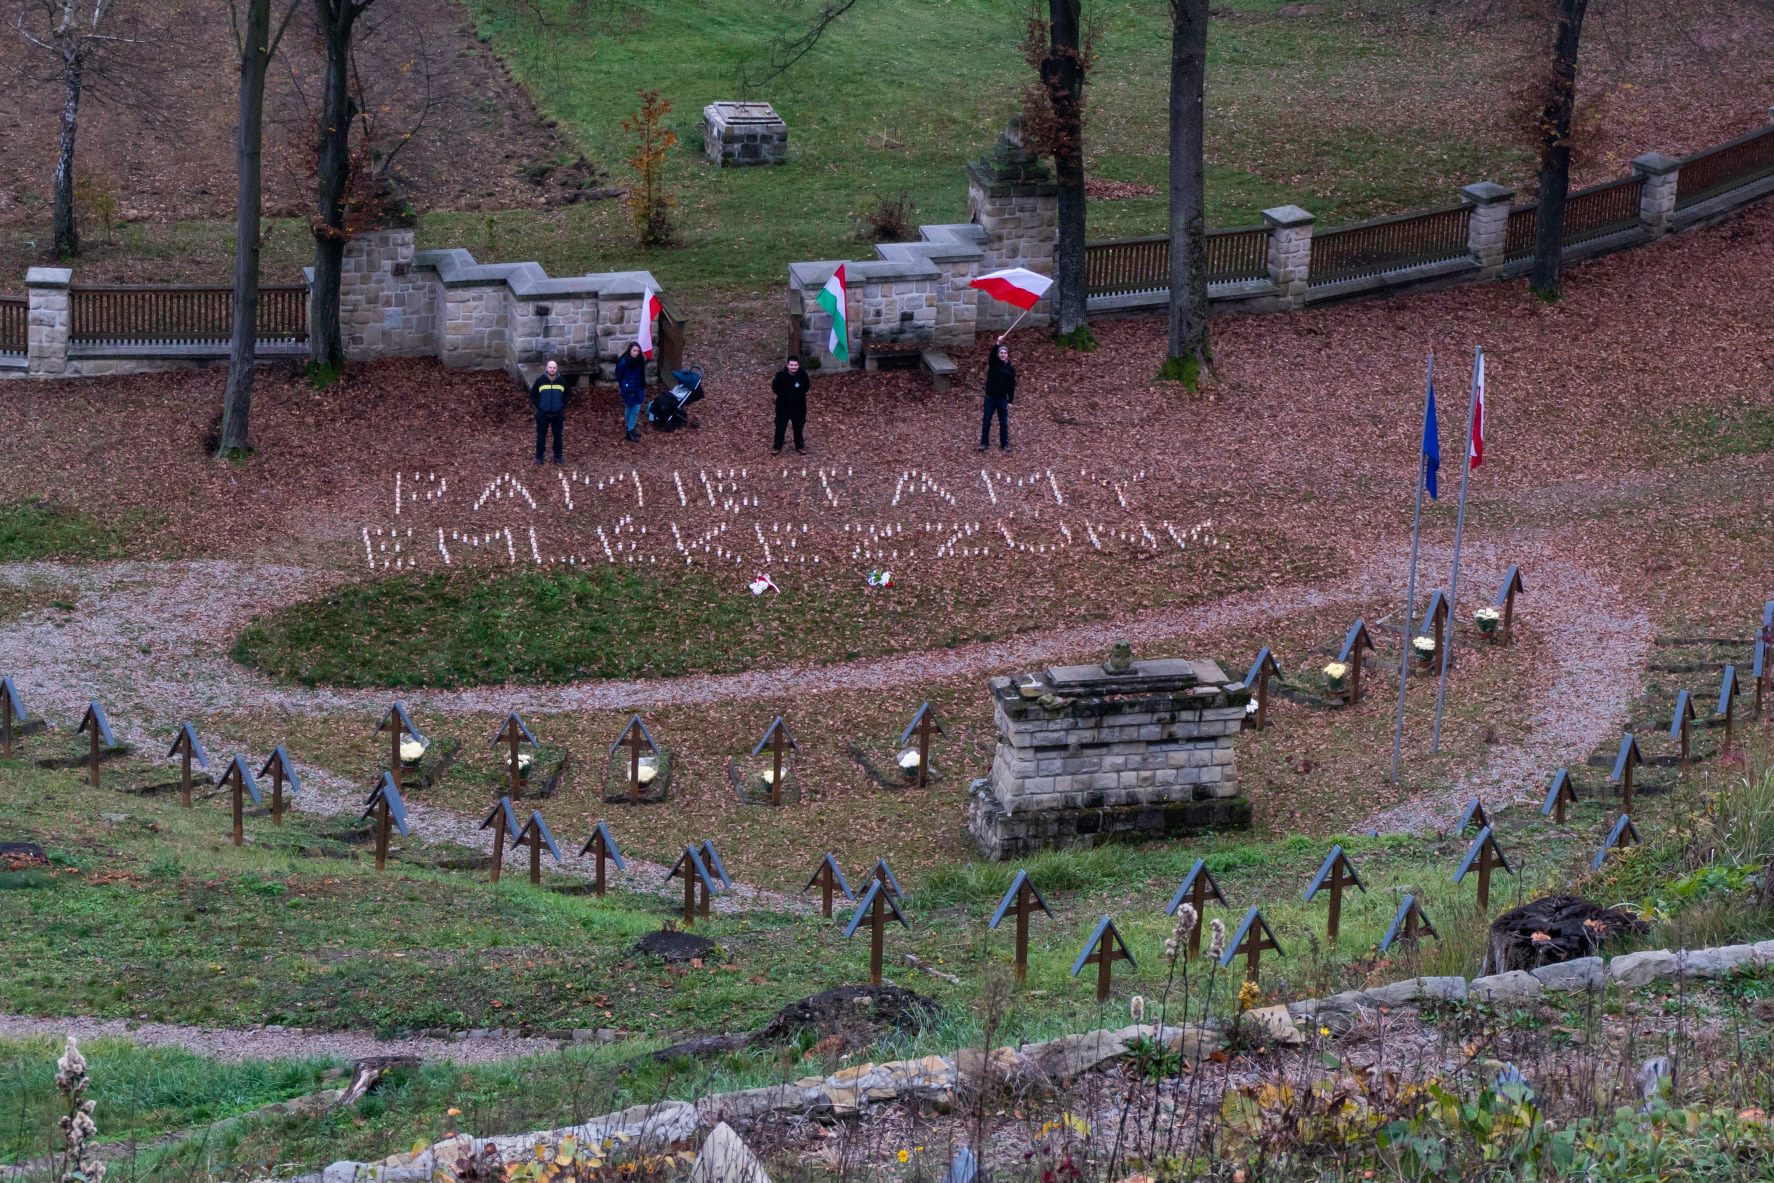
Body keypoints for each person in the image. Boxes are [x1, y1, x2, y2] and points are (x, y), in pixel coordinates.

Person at [530, 359, 568, 465]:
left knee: (558, 436)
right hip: (543, 414)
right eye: (550, 367)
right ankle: (539, 457)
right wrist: (540, 406)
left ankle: (558, 457)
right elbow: (533, 395)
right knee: (541, 436)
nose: (552, 369)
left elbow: (568, 395)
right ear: (547, 368)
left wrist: (561, 405)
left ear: (557, 369)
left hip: (558, 414)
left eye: (554, 368)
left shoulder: (562, 381)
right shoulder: (540, 381)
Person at [771, 356, 811, 453]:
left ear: (798, 365)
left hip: (798, 407)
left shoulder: (803, 375)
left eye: (795, 365)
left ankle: (800, 446)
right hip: (783, 406)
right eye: (791, 365)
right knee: (780, 427)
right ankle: (777, 447)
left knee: (798, 427)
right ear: (787, 365)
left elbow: (807, 387)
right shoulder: (780, 375)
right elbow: (775, 387)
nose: (793, 367)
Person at [980, 339, 1014, 451]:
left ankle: (1004, 444)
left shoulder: (1011, 369)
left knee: (1003, 422)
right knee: (986, 421)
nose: (1003, 354)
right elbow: (991, 355)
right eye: (1001, 353)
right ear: (998, 355)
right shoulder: (994, 364)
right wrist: (998, 343)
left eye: (1005, 353)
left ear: (1007, 355)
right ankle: (984, 443)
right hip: (990, 398)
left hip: (1002, 399)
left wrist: (1010, 401)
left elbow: (1012, 386)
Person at [614, 342, 648, 443]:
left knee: (630, 407)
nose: (636, 353)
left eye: (638, 351)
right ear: (630, 350)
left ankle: (630, 428)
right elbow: (619, 374)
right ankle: (630, 430)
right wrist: (624, 385)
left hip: (638, 387)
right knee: (635, 408)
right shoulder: (624, 361)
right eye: (634, 350)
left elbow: (641, 373)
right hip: (629, 388)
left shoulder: (639, 360)